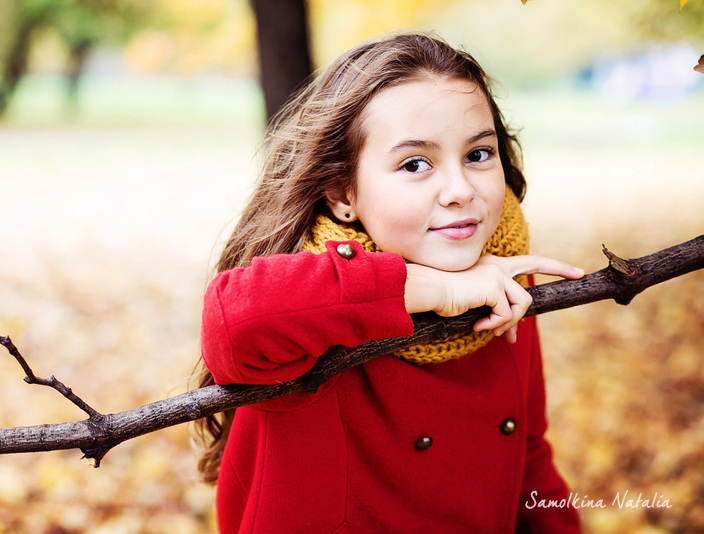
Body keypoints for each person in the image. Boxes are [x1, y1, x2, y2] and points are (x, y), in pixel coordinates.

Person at [195, 31, 584, 533]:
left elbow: (527, 457)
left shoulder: (503, 275)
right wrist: (436, 290)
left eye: (478, 154)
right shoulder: (311, 298)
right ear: (342, 194)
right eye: (415, 164)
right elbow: (233, 322)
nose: (460, 190)